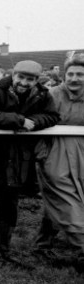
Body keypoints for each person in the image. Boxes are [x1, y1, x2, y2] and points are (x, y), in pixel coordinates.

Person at [0, 60, 59, 264]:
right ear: (13, 75)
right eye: (20, 77)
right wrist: (19, 120)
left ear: (36, 80)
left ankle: (5, 247)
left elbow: (52, 116)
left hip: (21, 158)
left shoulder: (43, 94)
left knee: (10, 204)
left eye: (29, 79)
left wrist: (34, 123)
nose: (23, 83)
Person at [34, 52, 84, 272]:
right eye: (70, 74)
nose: (75, 79)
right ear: (64, 76)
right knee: (64, 198)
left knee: (67, 197)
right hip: (53, 151)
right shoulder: (52, 94)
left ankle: (42, 244)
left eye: (80, 75)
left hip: (81, 152)